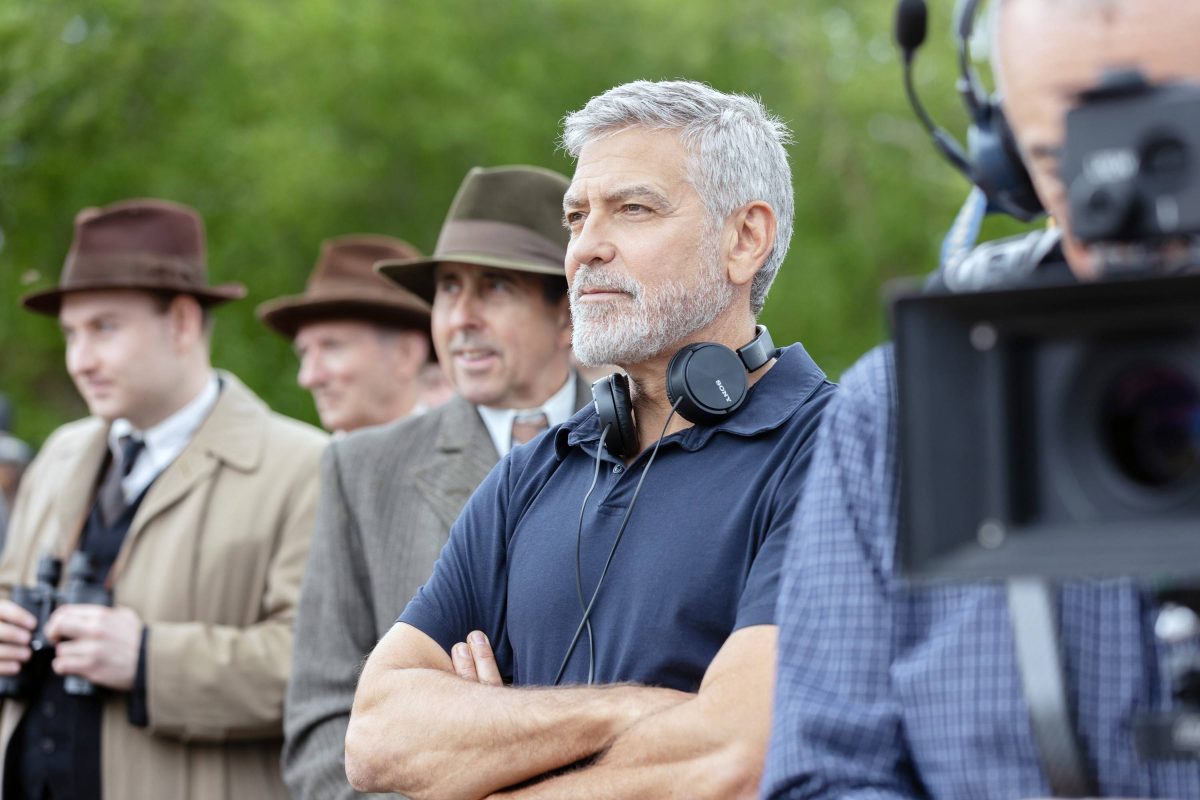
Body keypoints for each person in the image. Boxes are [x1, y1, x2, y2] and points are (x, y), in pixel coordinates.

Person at [343, 80, 835, 799]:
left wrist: (491, 748)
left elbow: (737, 757)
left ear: (744, 239)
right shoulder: (530, 474)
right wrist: (635, 711)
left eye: (633, 209)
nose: (584, 251)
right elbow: (376, 735)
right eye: (577, 217)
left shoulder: (836, 454)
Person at [762, 1, 1200, 798]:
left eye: (1175, 143)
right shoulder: (895, 413)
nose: (1130, 206)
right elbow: (825, 774)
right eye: (1067, 161)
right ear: (1007, 162)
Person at [0, 198, 327, 799]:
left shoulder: (305, 466)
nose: (79, 361)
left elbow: (325, 668)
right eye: (71, 333)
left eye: (104, 328)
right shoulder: (58, 456)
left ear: (181, 322)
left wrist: (149, 660)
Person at [282, 164, 590, 799]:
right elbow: (320, 721)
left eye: (495, 288)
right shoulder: (361, 469)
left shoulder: (652, 443)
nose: (460, 318)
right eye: (449, 290)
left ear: (567, 312)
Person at [257, 234, 436, 434]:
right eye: (304, 352)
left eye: (331, 346)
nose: (308, 378)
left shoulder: (462, 452)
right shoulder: (303, 455)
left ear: (406, 354)